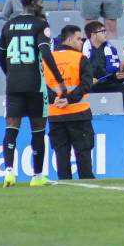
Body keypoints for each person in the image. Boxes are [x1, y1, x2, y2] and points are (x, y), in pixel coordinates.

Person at [0, 0, 65, 187]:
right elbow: (45, 52)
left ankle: (9, 172)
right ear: (34, 2)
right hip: (35, 84)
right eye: (40, 0)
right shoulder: (40, 24)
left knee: (11, 128)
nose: (42, 3)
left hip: (14, 84)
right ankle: (37, 176)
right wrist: (59, 82)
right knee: (38, 130)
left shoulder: (8, 25)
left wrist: (11, 73)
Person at [43, 24, 95, 181]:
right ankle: (87, 182)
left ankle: (64, 186)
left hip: (56, 114)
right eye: (79, 39)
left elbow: (41, 85)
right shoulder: (80, 58)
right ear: (70, 39)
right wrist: (69, 99)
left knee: (61, 152)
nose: (81, 43)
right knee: (83, 151)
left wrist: (55, 99)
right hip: (79, 113)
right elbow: (86, 85)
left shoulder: (47, 59)